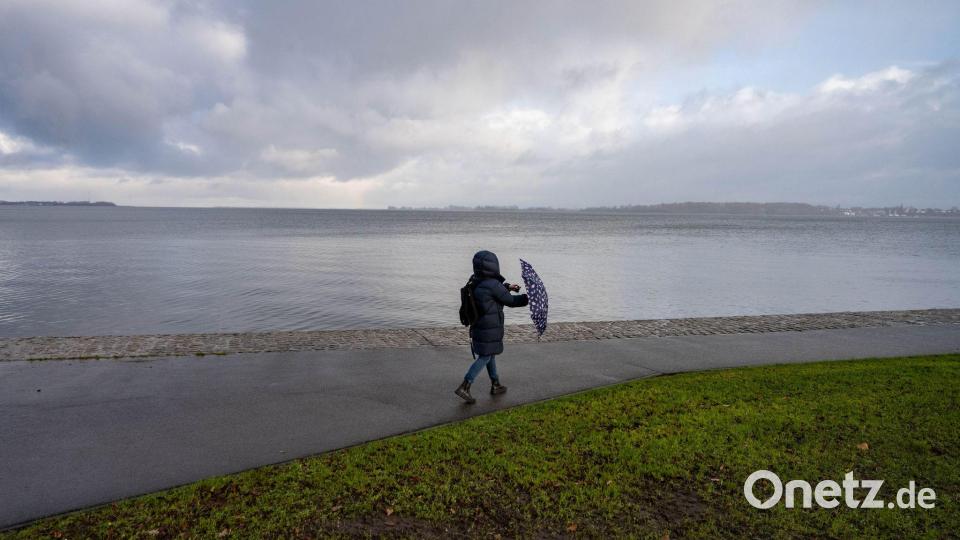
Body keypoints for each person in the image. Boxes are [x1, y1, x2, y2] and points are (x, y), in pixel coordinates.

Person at [455, 250, 528, 404]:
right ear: (493, 266)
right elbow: (511, 302)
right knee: (486, 356)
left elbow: (492, 292)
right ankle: (465, 386)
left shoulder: (475, 280)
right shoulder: (493, 285)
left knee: (490, 353)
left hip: (479, 325)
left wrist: (507, 286)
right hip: (490, 326)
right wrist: (528, 298)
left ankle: (496, 384)